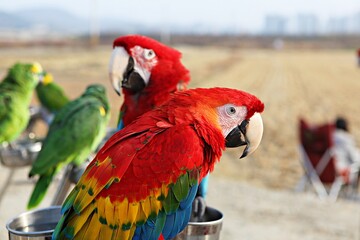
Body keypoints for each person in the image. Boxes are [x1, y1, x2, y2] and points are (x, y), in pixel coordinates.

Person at [333, 117, 360, 189]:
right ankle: (352, 191)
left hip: (324, 170)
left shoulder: (329, 137)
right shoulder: (346, 138)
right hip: (341, 170)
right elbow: (354, 158)